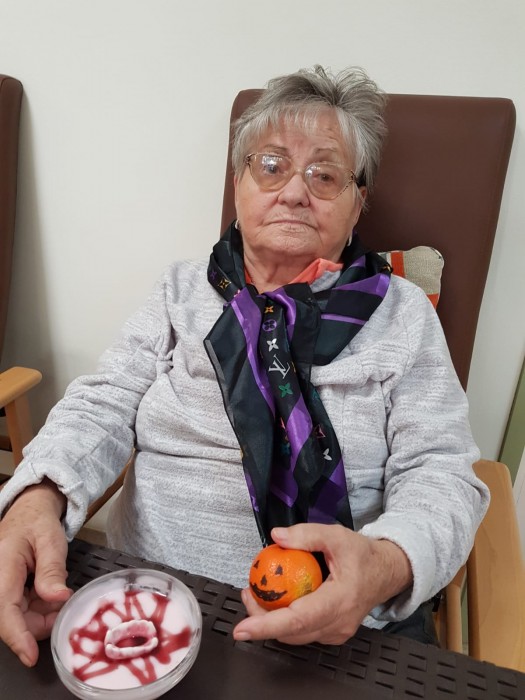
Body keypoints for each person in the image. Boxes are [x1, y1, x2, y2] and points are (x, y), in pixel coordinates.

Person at [0, 65, 489, 667]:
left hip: (344, 622)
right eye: (272, 165)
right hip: (150, 599)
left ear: (358, 203)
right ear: (239, 183)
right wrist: (38, 495)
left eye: (325, 175)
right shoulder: (180, 290)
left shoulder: (403, 314)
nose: (295, 193)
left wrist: (386, 564)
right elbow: (102, 404)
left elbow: (440, 472)